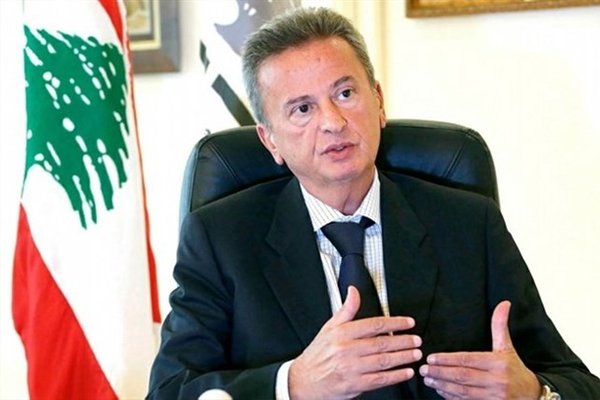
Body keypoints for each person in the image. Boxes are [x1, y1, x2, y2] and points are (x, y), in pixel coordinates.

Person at [147, 7, 600, 399]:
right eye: (302, 109)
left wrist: (534, 392)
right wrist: (293, 385)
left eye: (345, 94)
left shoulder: (467, 224)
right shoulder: (221, 239)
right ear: (270, 141)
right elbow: (170, 391)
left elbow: (577, 382)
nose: (333, 122)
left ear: (378, 102)